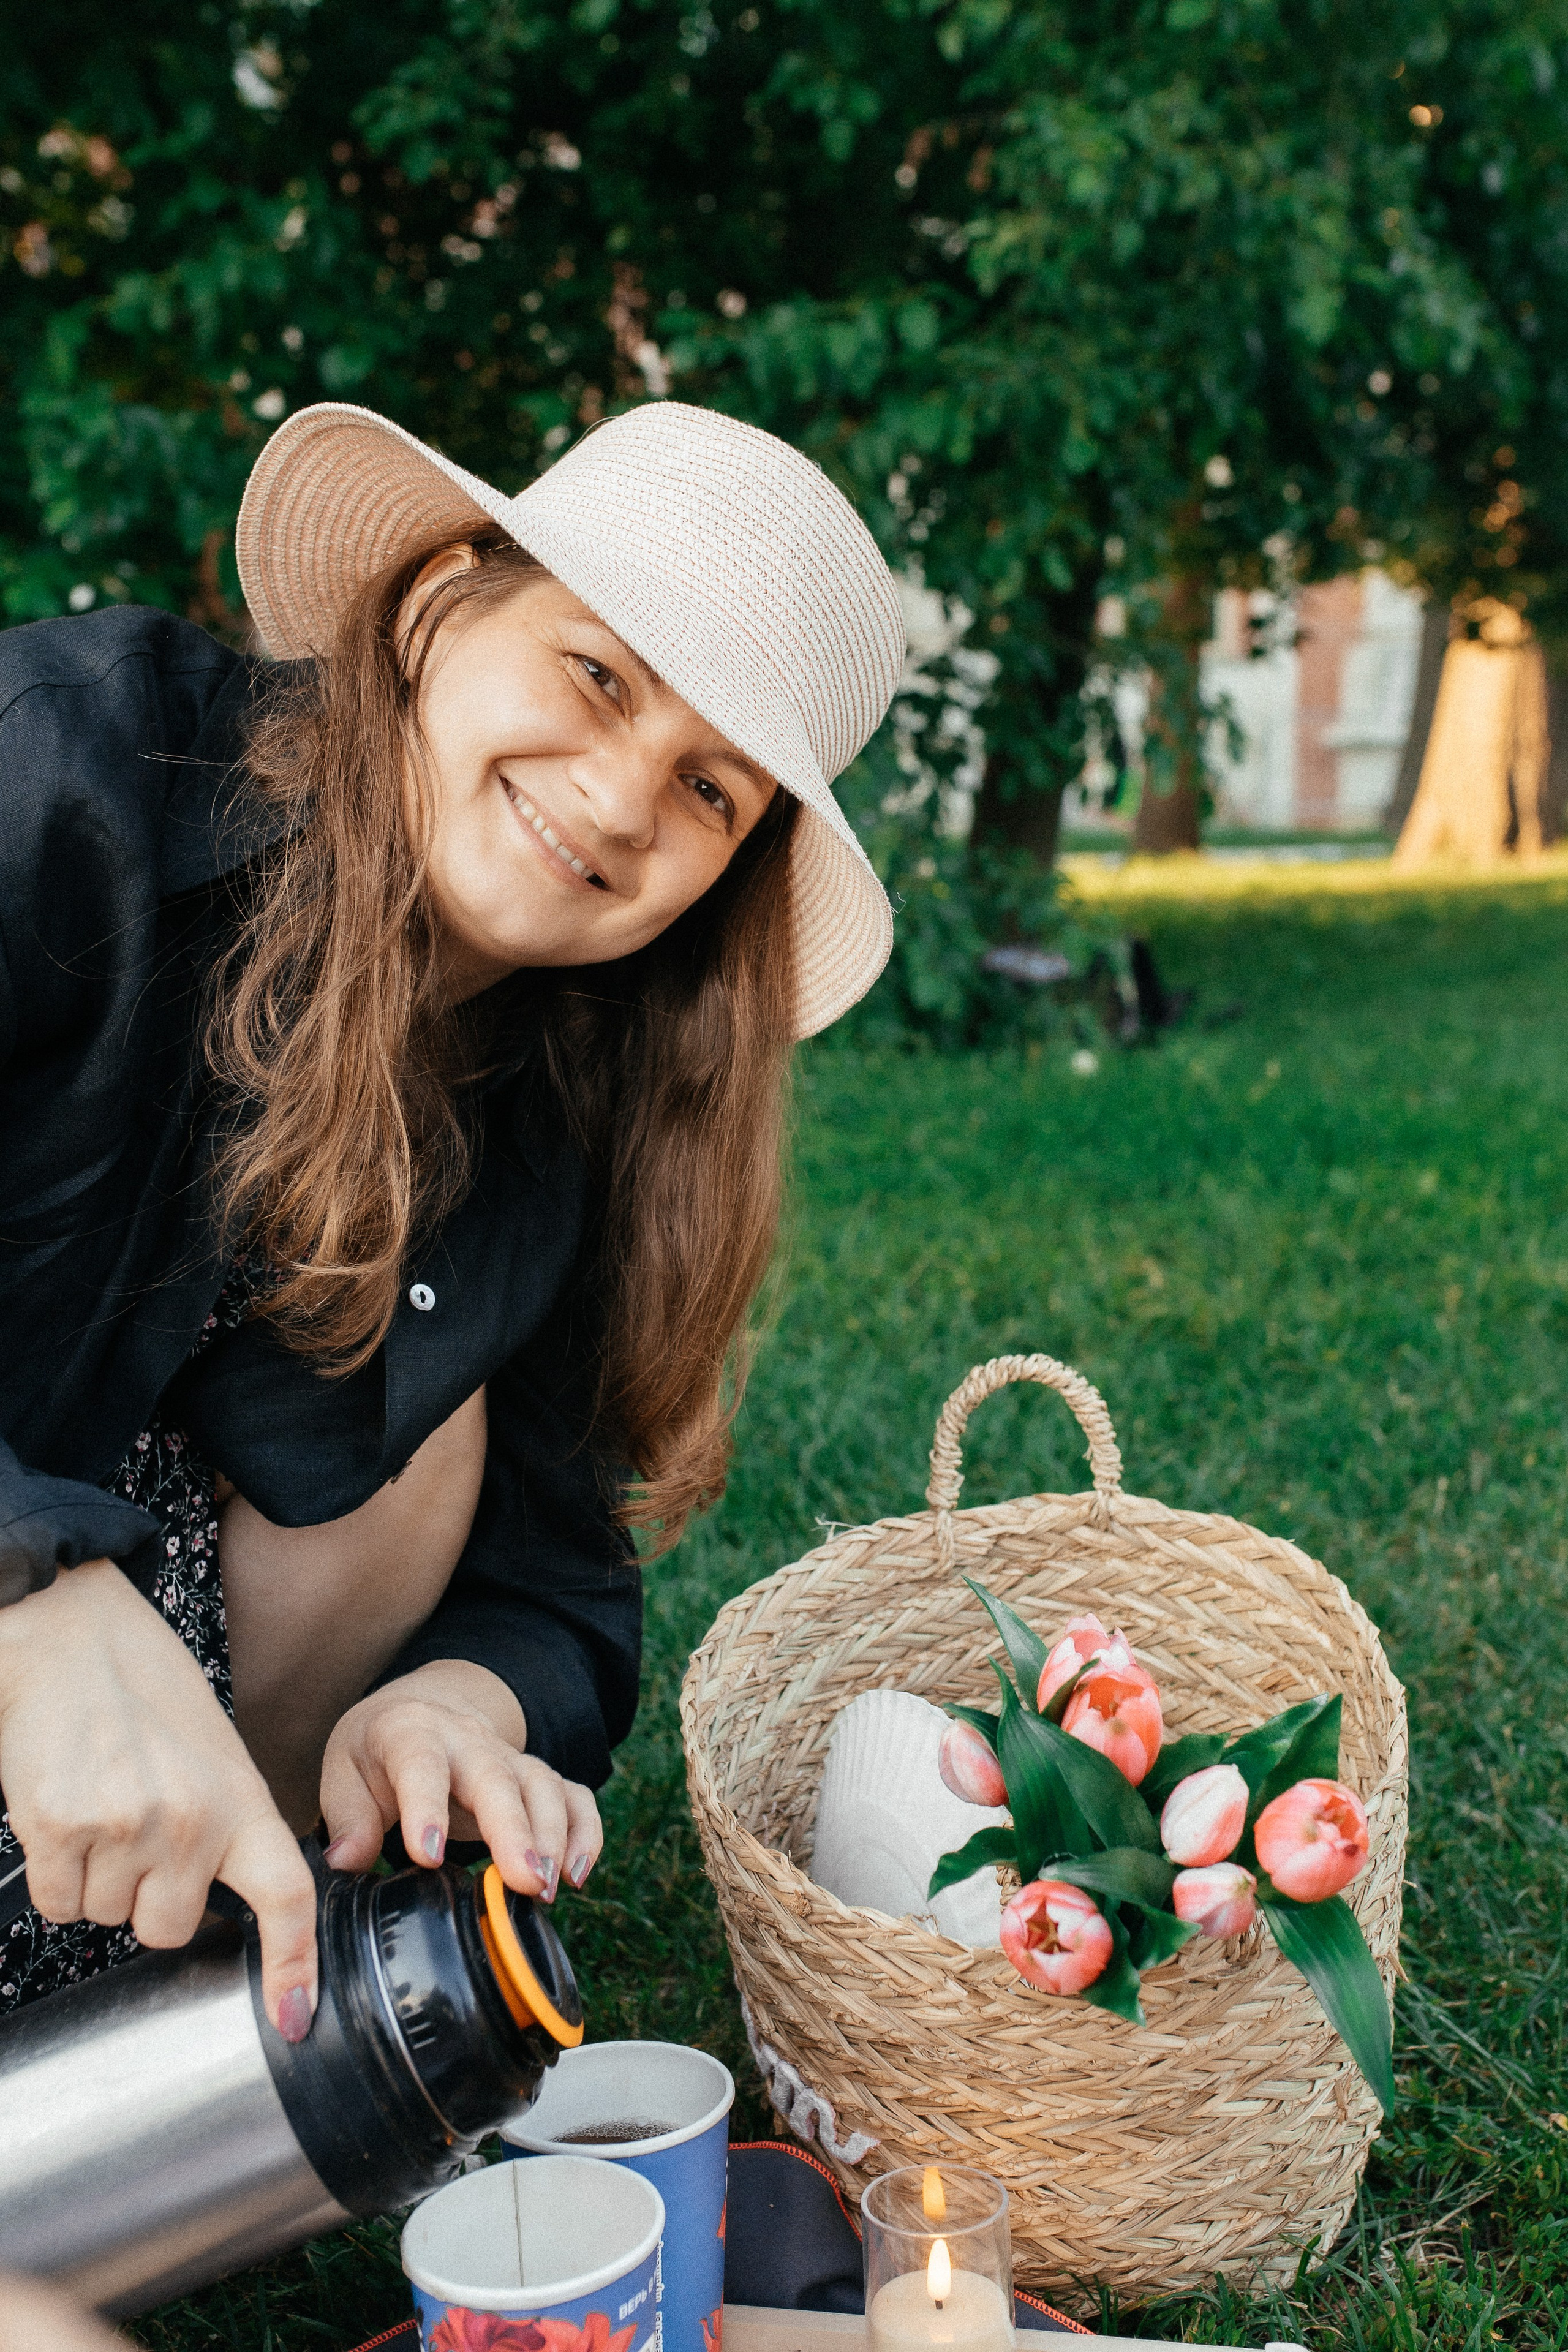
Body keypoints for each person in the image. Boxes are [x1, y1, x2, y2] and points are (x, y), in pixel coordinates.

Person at [0, 399, 902, 2039]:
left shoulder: (571, 1094)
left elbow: (561, 1587)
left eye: (711, 790)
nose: (625, 801)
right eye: (599, 674)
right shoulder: (68, 769)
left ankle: (166, 2034)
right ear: (438, 605)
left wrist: (452, 1701)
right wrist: (36, 1599)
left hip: (138, 1736)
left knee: (432, 1440)